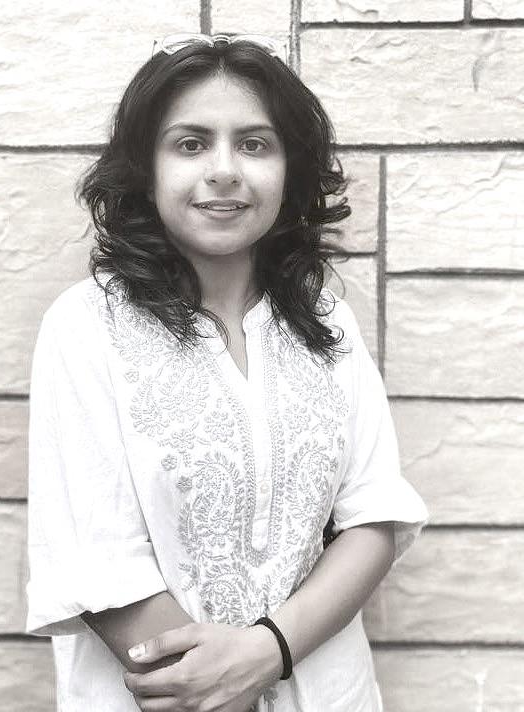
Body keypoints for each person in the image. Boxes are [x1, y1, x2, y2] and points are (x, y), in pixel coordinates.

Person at [26, 33, 428, 712]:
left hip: (330, 691)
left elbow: (374, 515)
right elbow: (98, 560)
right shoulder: (87, 326)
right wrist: (215, 685)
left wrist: (267, 653)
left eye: (254, 144)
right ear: (145, 170)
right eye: (190, 144)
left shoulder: (326, 324)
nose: (224, 171)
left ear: (290, 171)